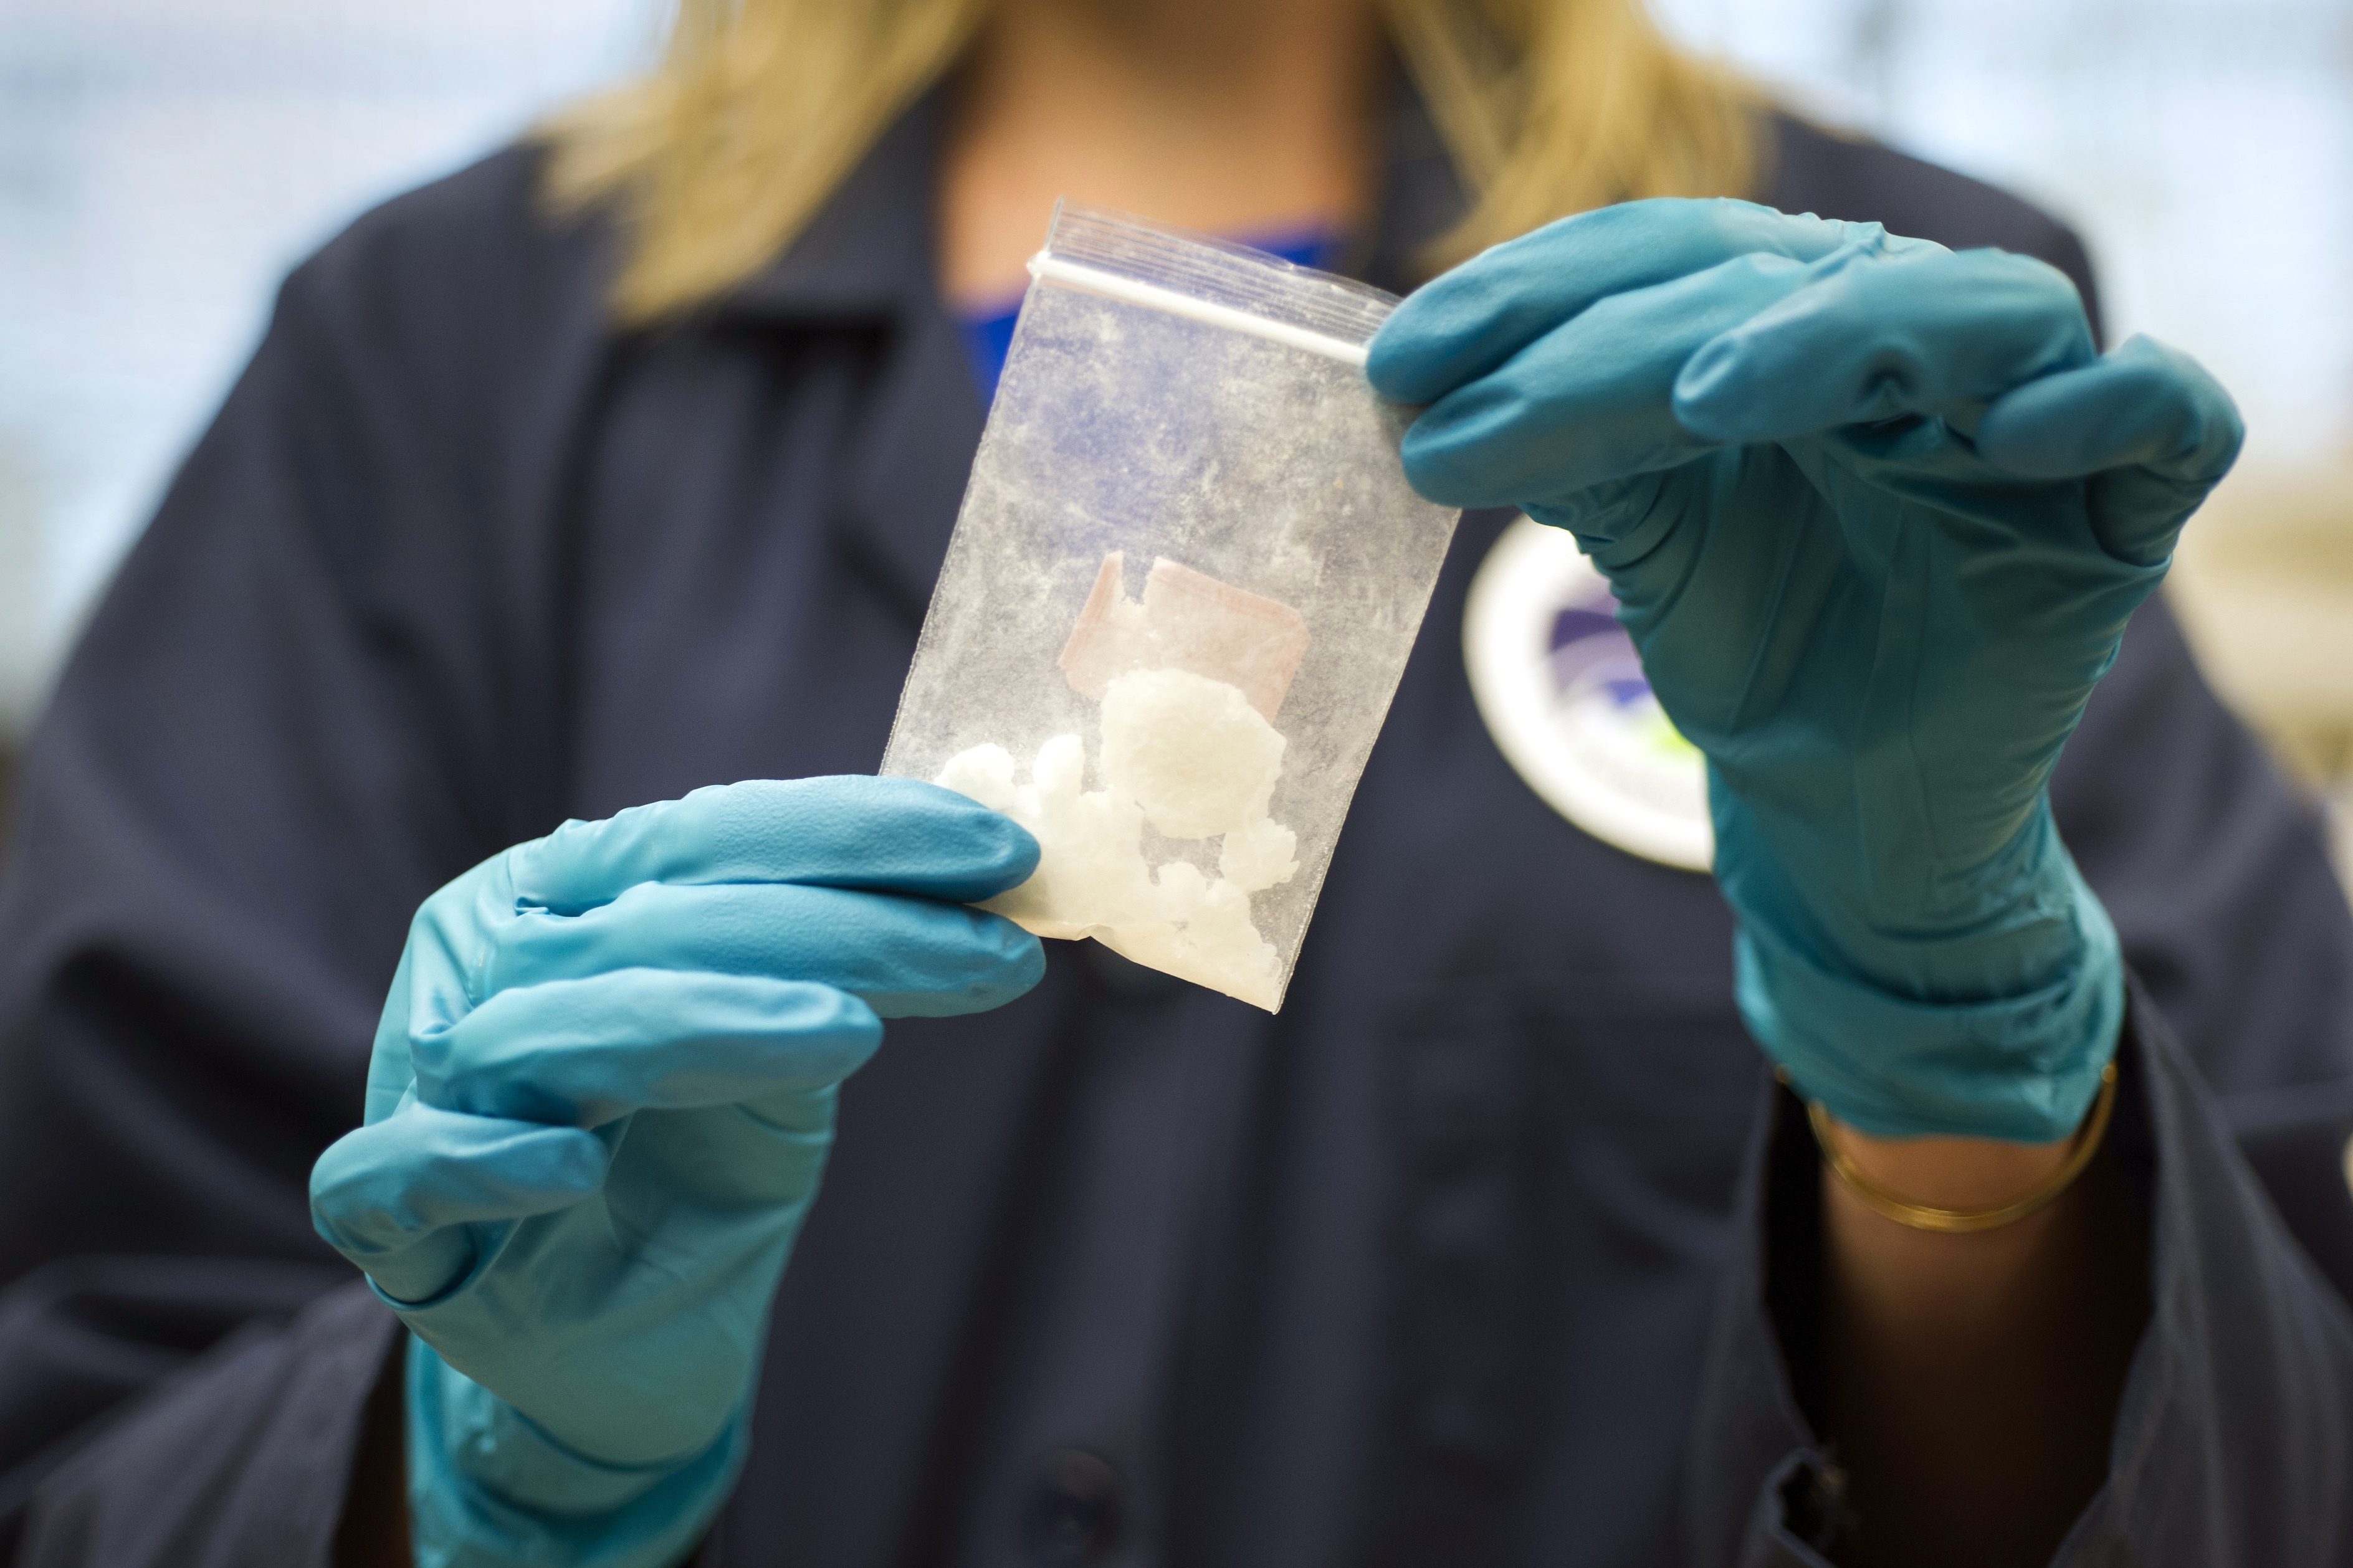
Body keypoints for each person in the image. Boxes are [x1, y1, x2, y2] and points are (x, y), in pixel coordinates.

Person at [1, 0, 2349, 1564]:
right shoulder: (441, 358)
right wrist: (475, 1465)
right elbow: (85, 1405)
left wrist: (1949, 1061)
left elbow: (2259, 1460)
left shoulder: (1848, 357)